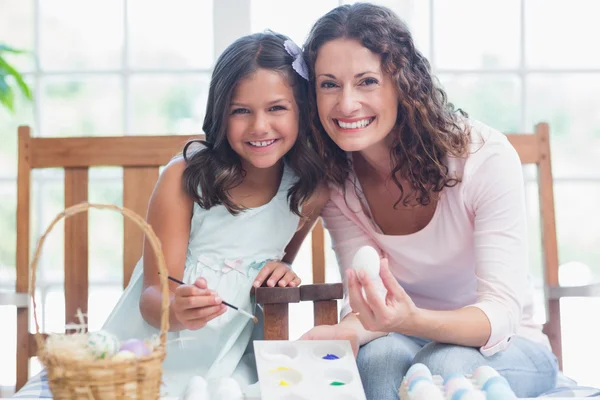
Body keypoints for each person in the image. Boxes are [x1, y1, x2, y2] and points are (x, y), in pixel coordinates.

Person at [13, 31, 328, 398]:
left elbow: (274, 271)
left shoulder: (308, 190)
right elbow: (153, 295)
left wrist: (284, 272)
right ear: (219, 112)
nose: (259, 126)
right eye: (240, 110)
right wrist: (176, 309)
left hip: (224, 365)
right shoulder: (186, 178)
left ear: (302, 111)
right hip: (146, 356)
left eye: (277, 108)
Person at [299, 3, 558, 399]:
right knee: (377, 360)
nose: (346, 103)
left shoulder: (483, 158)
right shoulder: (339, 180)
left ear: (401, 83)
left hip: (510, 346)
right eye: (329, 84)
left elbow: (501, 316)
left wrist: (413, 319)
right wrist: (344, 333)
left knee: (445, 366)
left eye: (367, 81)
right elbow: (373, 307)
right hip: (401, 337)